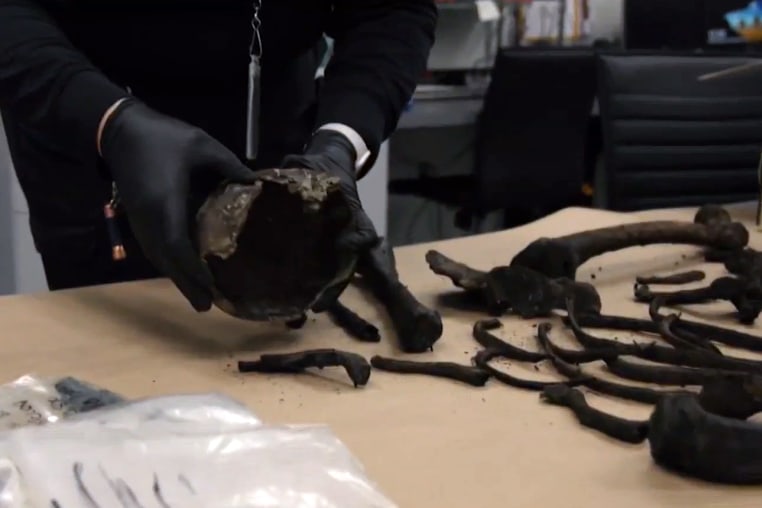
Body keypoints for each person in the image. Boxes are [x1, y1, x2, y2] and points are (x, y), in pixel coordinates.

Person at [0, 0, 437, 312]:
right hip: (92, 131)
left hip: (277, 132)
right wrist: (108, 120)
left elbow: (391, 11)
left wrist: (344, 138)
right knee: (119, 379)